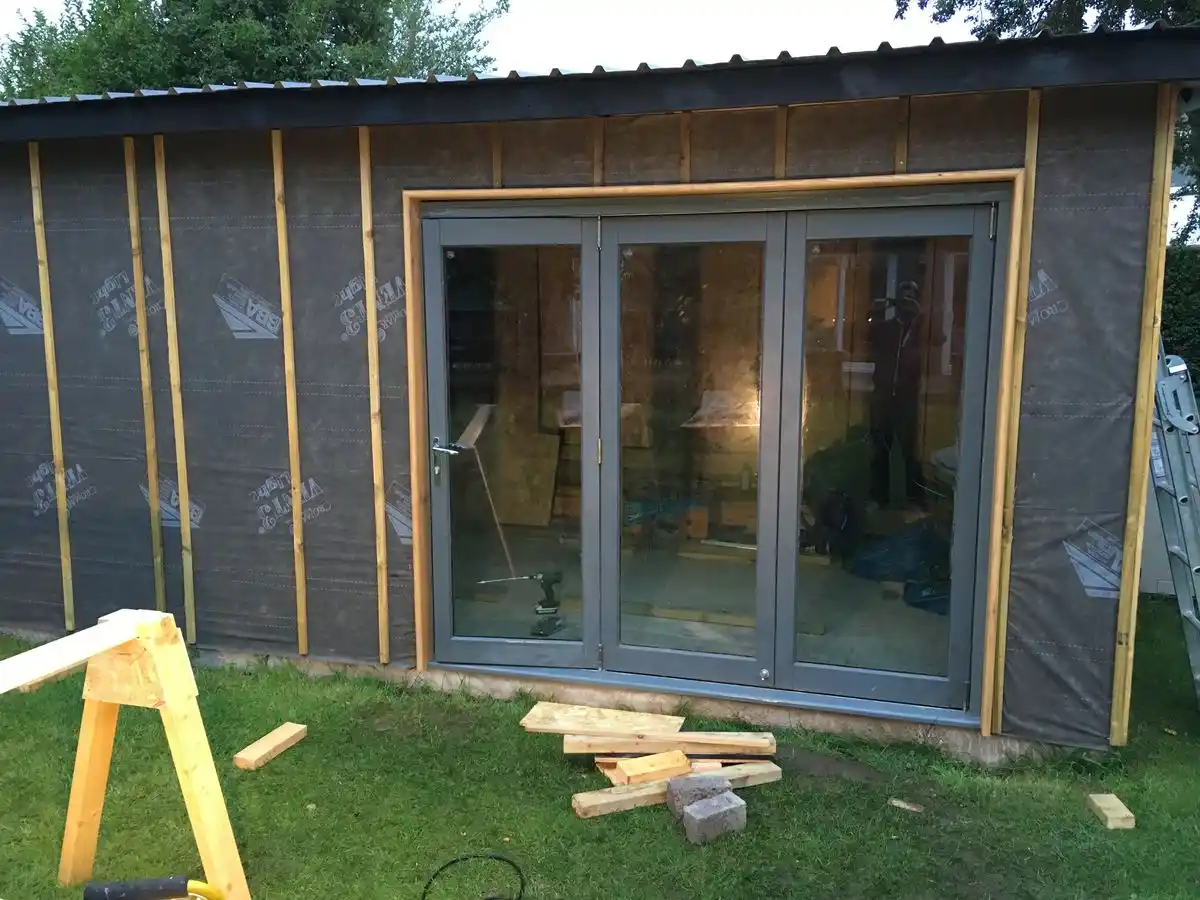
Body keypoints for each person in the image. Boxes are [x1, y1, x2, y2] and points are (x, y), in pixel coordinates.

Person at [866, 278, 938, 508]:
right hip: (883, 396)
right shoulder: (887, 327)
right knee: (880, 449)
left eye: (911, 298)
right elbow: (866, 335)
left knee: (910, 450)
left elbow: (939, 338)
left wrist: (920, 317)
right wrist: (875, 312)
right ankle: (879, 499)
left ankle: (915, 499)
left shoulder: (919, 331)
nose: (906, 304)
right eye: (903, 298)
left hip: (908, 398)